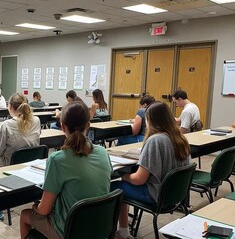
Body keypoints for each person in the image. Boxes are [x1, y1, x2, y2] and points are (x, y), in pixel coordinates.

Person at [20, 101, 112, 239]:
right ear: (88, 125)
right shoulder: (103, 152)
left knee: (24, 215)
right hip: (100, 226)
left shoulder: (57, 159)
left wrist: (36, 207)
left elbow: (44, 210)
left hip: (69, 231)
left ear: (62, 127)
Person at [111, 101, 191, 239]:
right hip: (174, 195)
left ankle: (122, 232)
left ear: (151, 120)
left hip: (156, 195)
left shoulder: (155, 141)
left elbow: (139, 179)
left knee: (115, 187)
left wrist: (123, 176)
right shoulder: (181, 139)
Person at [0, 93, 41, 168]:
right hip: (31, 163)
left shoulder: (6, 125)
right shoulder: (37, 120)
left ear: (11, 106)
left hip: (10, 165)